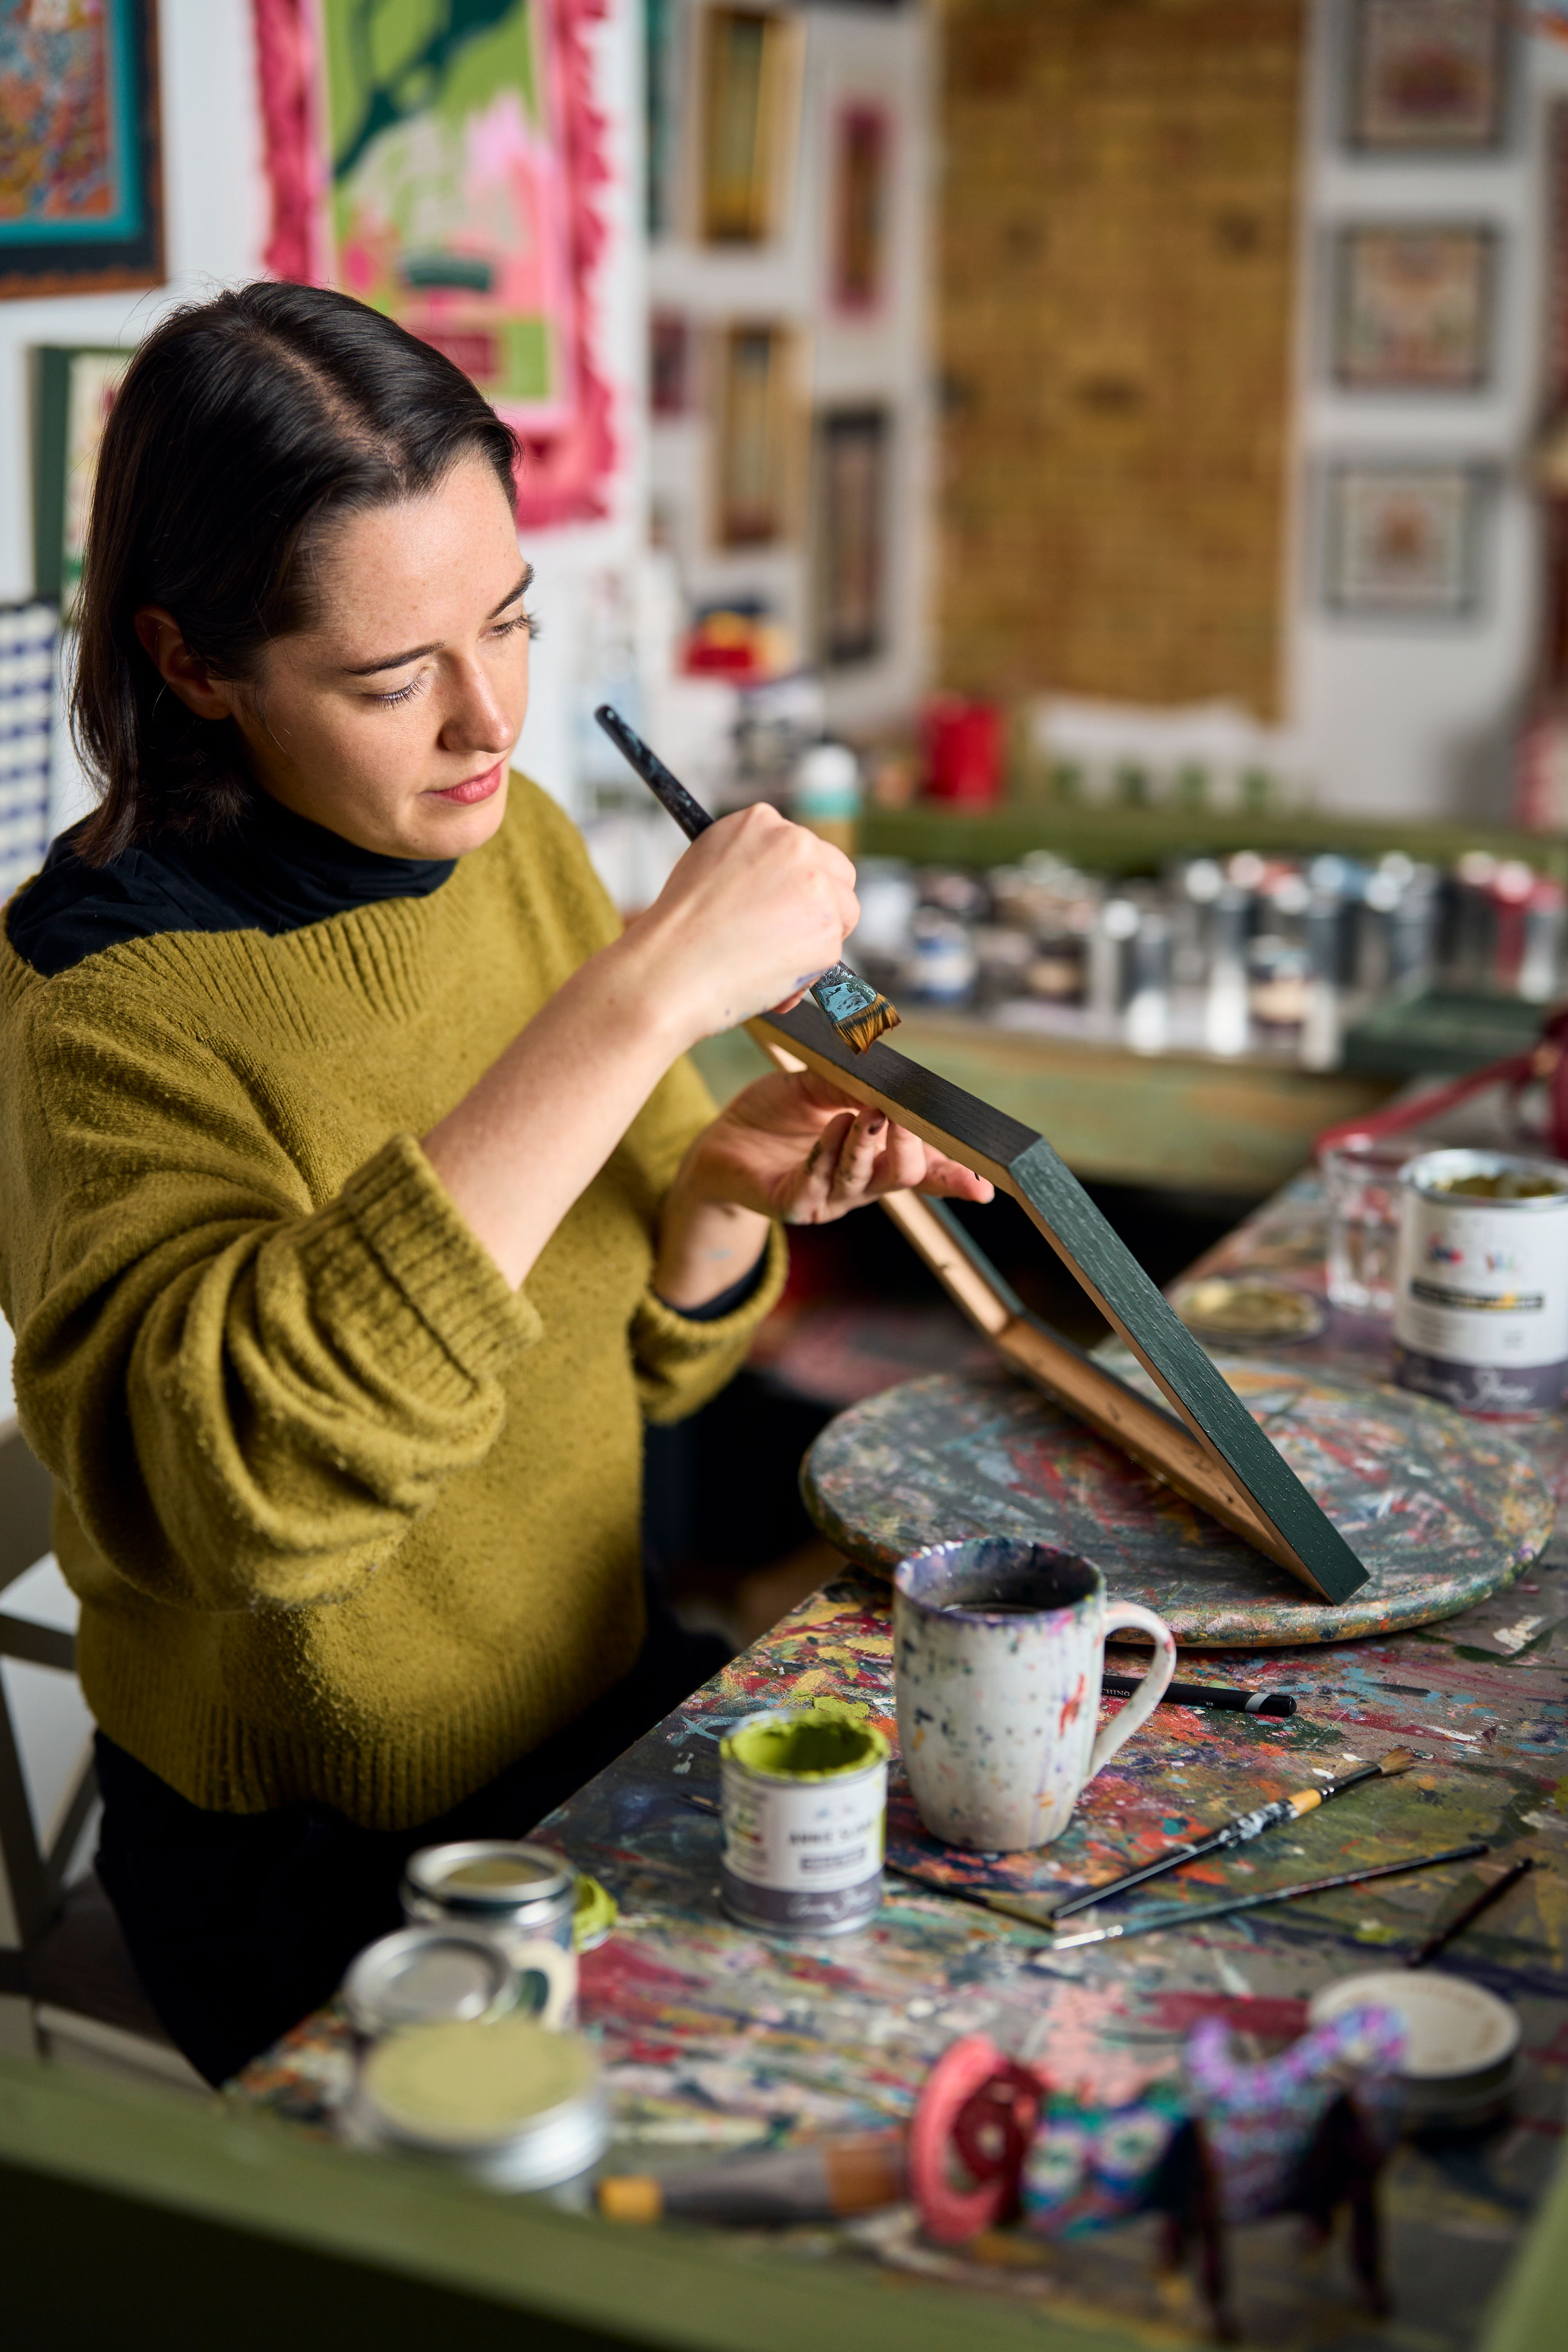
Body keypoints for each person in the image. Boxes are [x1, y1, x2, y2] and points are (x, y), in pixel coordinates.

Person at [0, 283, 992, 2085]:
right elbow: (247, 1501)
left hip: (589, 1701)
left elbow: (648, 1371)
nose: (487, 721)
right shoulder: (100, 1002)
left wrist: (706, 1203)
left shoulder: (506, 838)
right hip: (316, 1860)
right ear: (193, 662)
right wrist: (636, 999)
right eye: (393, 678)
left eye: (512, 621)